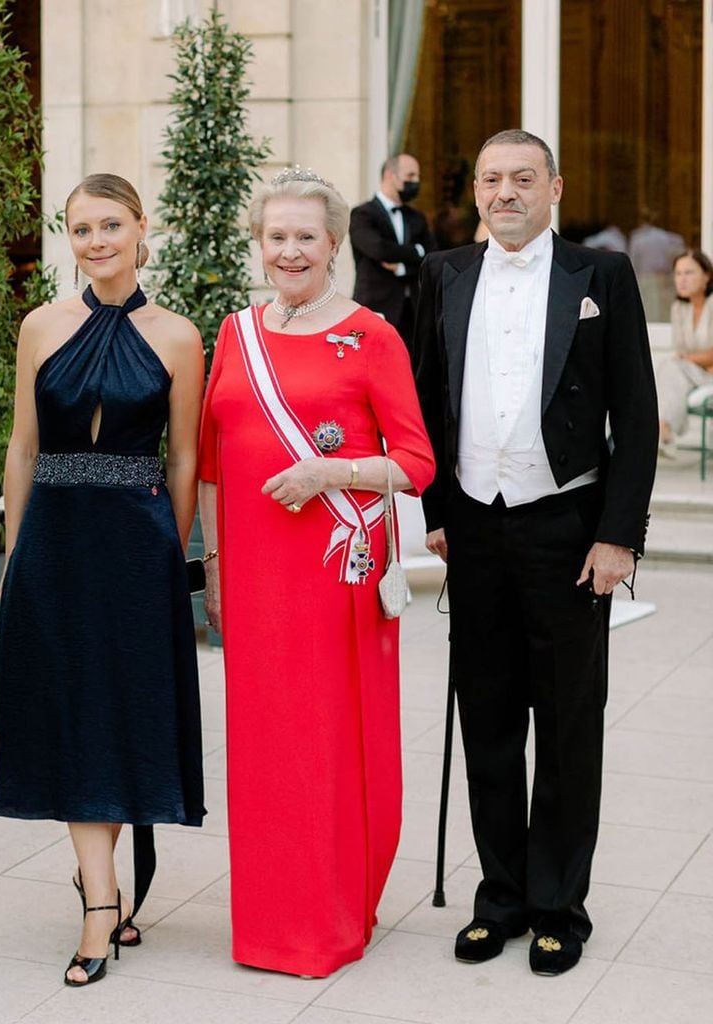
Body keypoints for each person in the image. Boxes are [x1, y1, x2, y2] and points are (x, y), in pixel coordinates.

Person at [413, 129, 658, 976]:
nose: (505, 191)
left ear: (555, 186)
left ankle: (559, 905)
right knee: (485, 719)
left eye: (523, 177)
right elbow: (422, 403)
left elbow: (635, 409)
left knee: (565, 724)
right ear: (475, 191)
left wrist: (619, 534)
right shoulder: (440, 275)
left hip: (568, 528)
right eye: (490, 179)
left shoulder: (603, 276)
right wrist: (437, 509)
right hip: (476, 528)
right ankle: (501, 898)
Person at [198, 167, 436, 977]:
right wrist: (216, 566)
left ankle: (330, 918)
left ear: (336, 243)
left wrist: (331, 475)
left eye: (307, 236)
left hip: (334, 574)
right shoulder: (235, 334)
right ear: (258, 245)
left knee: (326, 747)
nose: (291, 250)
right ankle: (268, 920)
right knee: (264, 750)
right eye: (277, 237)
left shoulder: (372, 335)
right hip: (255, 574)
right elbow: (209, 464)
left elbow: (416, 462)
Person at [0, 173, 206, 988]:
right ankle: (100, 908)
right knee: (74, 712)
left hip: (137, 540)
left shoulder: (179, 335)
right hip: (54, 537)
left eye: (110, 225)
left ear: (141, 226)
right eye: (80, 230)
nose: (96, 242)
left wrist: (170, 547)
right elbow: (21, 445)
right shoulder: (40, 325)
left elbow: (183, 456)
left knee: (122, 712)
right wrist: (17, 554)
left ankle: (102, 892)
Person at [350, 153, 436, 348]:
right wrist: (416, 251)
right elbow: (378, 249)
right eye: (411, 176)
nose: (416, 182)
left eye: (418, 177)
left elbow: (431, 256)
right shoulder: (362, 214)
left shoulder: (417, 218)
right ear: (390, 175)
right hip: (376, 306)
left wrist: (401, 268)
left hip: (412, 310)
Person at [656, 249, 713, 455]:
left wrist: (690, 359)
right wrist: (699, 360)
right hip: (694, 374)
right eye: (678, 274)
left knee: (672, 366)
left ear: (706, 276)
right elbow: (680, 352)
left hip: (704, 375)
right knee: (669, 367)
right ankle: (664, 429)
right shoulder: (679, 308)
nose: (682, 279)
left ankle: (664, 431)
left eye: (689, 273)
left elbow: (685, 356)